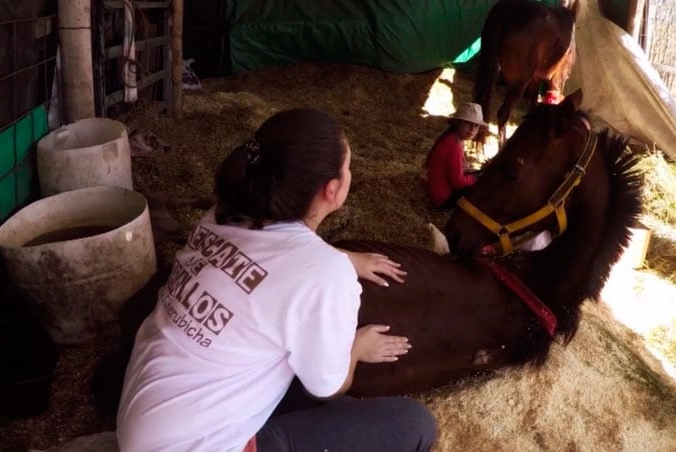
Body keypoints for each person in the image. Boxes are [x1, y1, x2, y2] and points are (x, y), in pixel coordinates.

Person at [116, 108, 438, 452]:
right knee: (413, 424)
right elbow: (326, 388)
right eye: (348, 168)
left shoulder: (221, 216)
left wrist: (343, 258)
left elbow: (273, 257)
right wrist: (357, 347)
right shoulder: (326, 274)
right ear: (333, 190)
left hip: (145, 430)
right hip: (202, 446)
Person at [422, 102, 486, 209]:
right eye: (468, 123)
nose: (472, 129)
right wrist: (475, 178)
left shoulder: (453, 138)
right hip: (443, 199)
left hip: (438, 192)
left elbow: (458, 167)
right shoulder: (454, 146)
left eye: (476, 126)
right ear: (458, 123)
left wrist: (468, 169)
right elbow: (458, 182)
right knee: (483, 187)